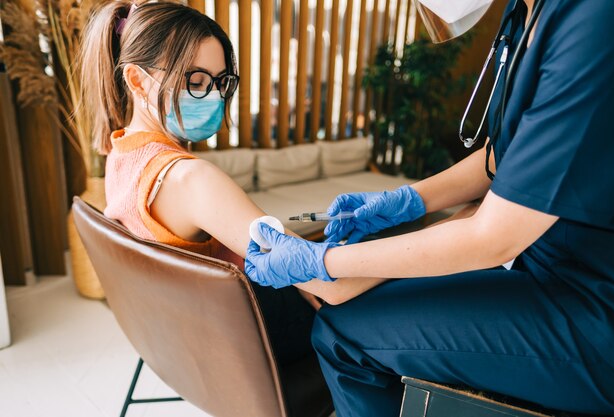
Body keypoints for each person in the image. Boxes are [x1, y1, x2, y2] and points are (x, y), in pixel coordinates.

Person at [245, 0, 614, 415]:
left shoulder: (599, 18)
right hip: (547, 268)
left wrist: (328, 259)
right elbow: (504, 153)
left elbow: (493, 236)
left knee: (343, 335)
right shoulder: (525, 12)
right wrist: (410, 200)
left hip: (601, 308)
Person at [79, 0, 385, 369]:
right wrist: (443, 241)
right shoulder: (190, 180)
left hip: (188, 342)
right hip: (255, 344)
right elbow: (335, 288)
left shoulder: (120, 154)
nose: (213, 96)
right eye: (195, 81)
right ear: (137, 80)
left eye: (220, 82)